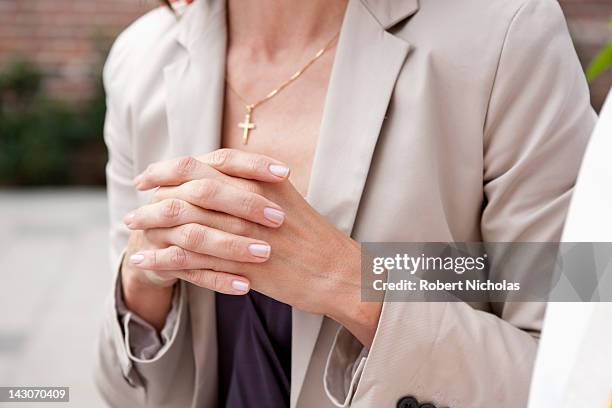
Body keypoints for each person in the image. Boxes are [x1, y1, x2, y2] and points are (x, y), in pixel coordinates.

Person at [95, 0, 596, 406]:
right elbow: (120, 390)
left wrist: (351, 281)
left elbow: (577, 374)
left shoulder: (509, 36)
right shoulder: (140, 61)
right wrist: (140, 284)